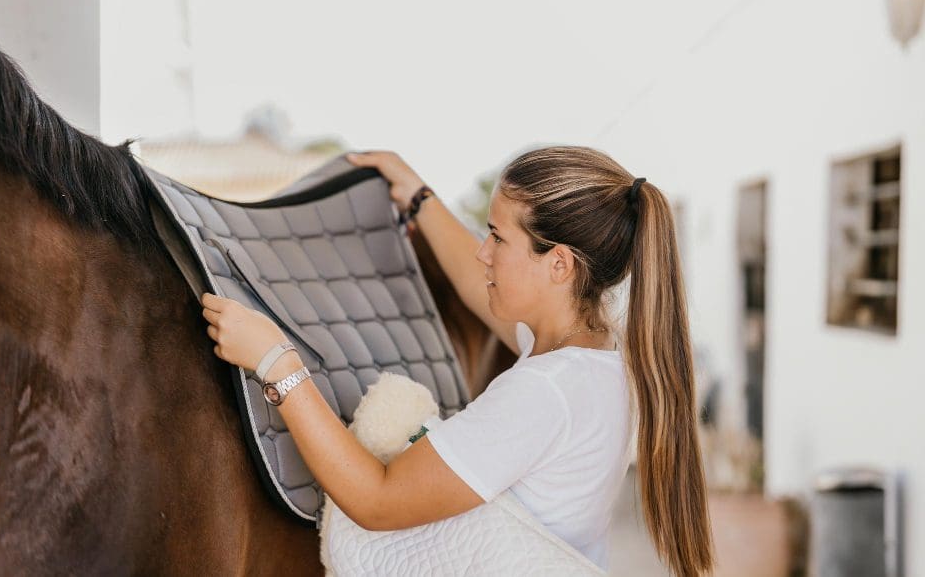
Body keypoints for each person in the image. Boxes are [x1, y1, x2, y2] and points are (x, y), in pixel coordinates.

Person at [201, 145, 714, 577]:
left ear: (559, 264)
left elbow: (378, 502)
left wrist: (277, 363)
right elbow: (477, 287)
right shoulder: (600, 354)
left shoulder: (542, 393)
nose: (482, 253)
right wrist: (420, 197)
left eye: (498, 237)